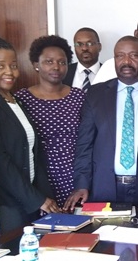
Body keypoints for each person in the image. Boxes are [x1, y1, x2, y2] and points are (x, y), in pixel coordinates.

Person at [0, 31, 59, 233]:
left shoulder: (15, 100)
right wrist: (37, 199)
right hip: (6, 202)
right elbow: (0, 160)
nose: (9, 72)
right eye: (0, 66)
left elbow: (31, 152)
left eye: (13, 66)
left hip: (26, 198)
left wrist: (42, 196)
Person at [64, 36, 138, 210]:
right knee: (105, 236)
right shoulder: (96, 94)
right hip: (104, 187)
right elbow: (84, 145)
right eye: (120, 56)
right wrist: (82, 184)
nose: (126, 61)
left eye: (134, 56)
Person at [15, 36, 85, 206]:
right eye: (49, 61)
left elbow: (88, 140)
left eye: (62, 62)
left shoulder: (79, 97)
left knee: (80, 227)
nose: (56, 67)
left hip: (76, 177)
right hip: (40, 178)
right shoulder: (22, 99)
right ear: (35, 64)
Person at [65, 27, 103, 92]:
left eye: (89, 44)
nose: (84, 48)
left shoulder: (110, 73)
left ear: (99, 47)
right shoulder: (64, 72)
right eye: (79, 44)